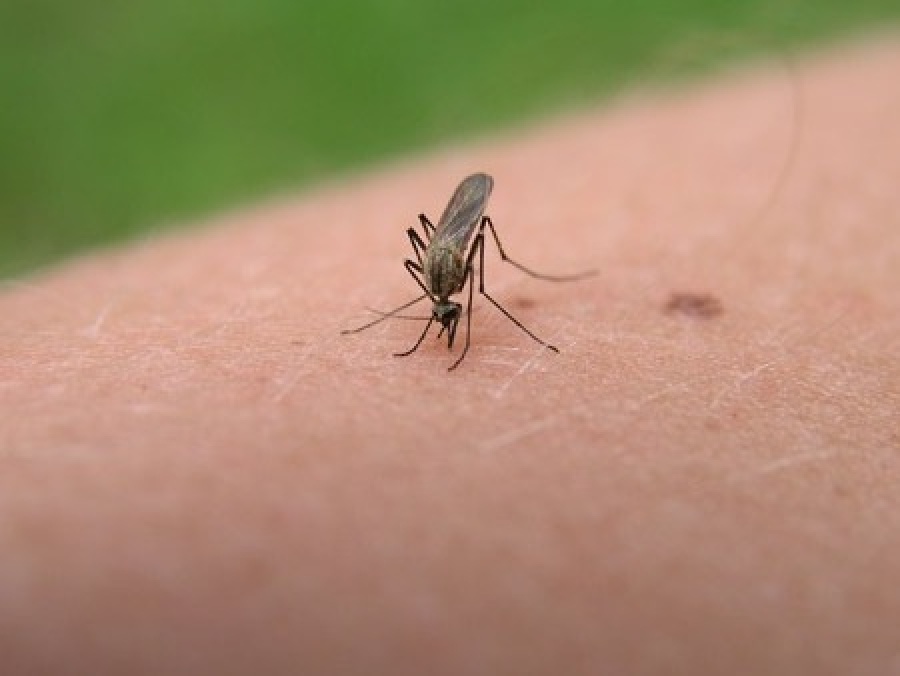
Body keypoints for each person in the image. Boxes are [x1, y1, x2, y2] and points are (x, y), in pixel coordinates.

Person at [1, 39, 898, 674]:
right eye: (442, 303)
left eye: (444, 305)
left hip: (472, 245)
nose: (446, 313)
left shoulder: (461, 270)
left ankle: (515, 268)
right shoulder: (428, 279)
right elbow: (432, 278)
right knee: (425, 258)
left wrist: (480, 278)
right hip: (440, 254)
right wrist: (401, 314)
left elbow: (467, 236)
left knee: (484, 258)